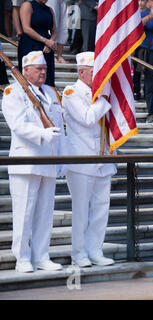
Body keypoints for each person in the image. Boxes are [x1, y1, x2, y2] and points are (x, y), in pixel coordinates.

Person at [2, 51, 66, 272]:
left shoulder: (50, 92)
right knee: (24, 212)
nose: (43, 72)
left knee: (45, 213)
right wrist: (41, 134)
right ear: (25, 70)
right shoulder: (13, 92)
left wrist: (62, 158)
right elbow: (17, 124)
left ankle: (41, 255)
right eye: (38, 69)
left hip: (48, 160)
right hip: (26, 160)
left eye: (45, 68)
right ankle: (22, 257)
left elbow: (60, 128)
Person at [61, 52, 116, 267]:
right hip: (82, 160)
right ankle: (79, 253)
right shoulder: (71, 92)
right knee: (81, 211)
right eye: (95, 73)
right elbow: (88, 118)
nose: (100, 77)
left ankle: (95, 250)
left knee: (101, 209)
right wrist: (103, 98)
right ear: (82, 72)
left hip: (103, 159)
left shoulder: (101, 92)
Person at [18, 0, 57, 87]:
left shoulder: (50, 9)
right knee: (31, 75)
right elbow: (26, 28)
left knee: (47, 76)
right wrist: (45, 40)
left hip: (46, 47)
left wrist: (50, 42)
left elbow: (54, 31)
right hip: (30, 44)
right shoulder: (27, 5)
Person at [133, 0, 150, 101]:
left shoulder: (150, 13)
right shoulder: (134, 12)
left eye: (142, 0)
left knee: (147, 70)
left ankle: (146, 91)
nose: (140, 2)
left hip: (148, 45)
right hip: (137, 45)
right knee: (137, 71)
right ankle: (137, 91)